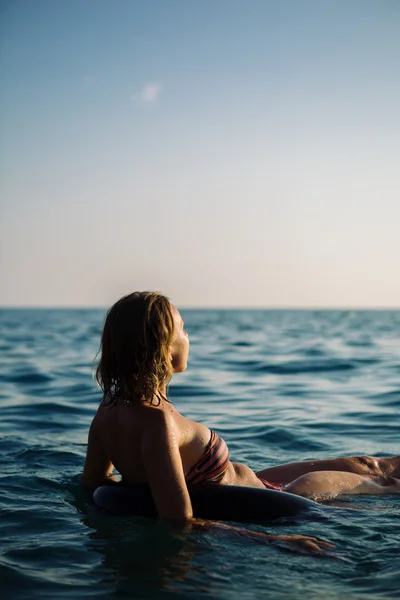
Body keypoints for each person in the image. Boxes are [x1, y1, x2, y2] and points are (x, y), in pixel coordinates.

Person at [82, 292, 400, 550]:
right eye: (183, 329)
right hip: (284, 494)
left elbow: (94, 485)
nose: (189, 337)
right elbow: (179, 520)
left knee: (368, 463)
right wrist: (274, 541)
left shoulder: (106, 414)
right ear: (163, 349)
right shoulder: (157, 423)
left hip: (255, 482)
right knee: (383, 480)